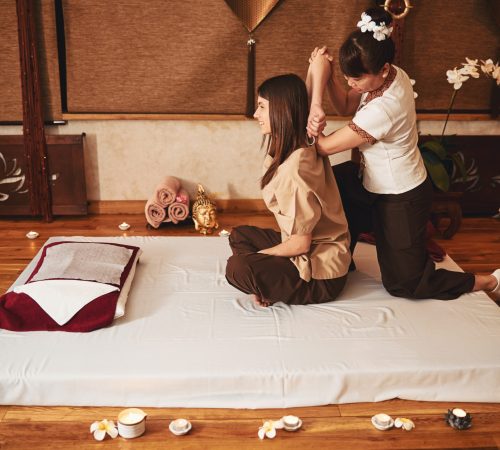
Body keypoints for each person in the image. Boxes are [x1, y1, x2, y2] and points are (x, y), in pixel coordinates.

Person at [306, 6, 500, 300]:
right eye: (348, 77)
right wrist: (329, 77)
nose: (351, 84)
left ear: (383, 70)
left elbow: (323, 146)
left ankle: (489, 282)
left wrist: (316, 96)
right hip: (368, 179)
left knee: (404, 283)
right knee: (332, 188)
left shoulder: (386, 107)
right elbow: (347, 105)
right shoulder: (389, 71)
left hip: (400, 193)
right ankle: (340, 260)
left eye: (356, 79)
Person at [225, 74, 351, 307]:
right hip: (305, 245)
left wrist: (257, 262)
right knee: (239, 234)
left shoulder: (295, 170)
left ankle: (266, 281)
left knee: (237, 268)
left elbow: (301, 245)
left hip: (320, 275)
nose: (255, 114)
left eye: (262, 106)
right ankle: (265, 279)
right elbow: (310, 80)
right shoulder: (302, 140)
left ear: (282, 110)